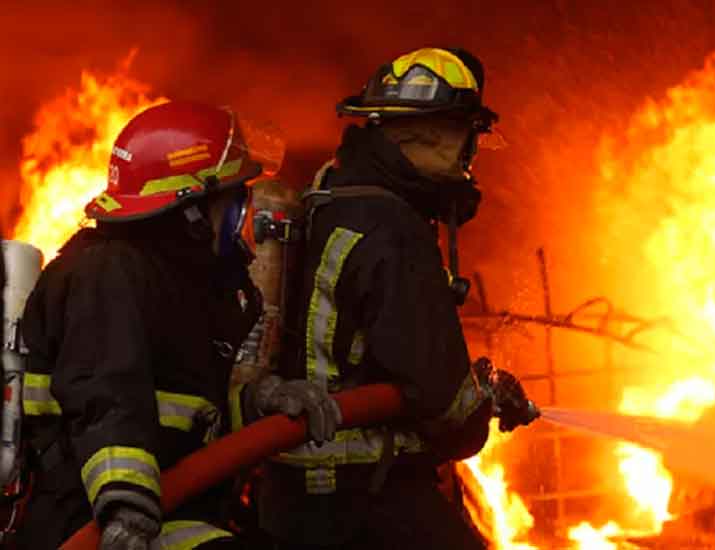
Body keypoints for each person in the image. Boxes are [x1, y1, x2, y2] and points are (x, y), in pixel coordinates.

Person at [248, 47, 537, 550]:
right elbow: (443, 406)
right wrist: (482, 403)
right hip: (367, 500)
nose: (469, 160)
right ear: (437, 133)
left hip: (289, 495)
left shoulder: (328, 194)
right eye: (467, 138)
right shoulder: (394, 232)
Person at [15, 100, 315, 550]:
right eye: (233, 200)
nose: (241, 215)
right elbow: (104, 395)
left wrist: (261, 403)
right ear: (190, 208)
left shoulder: (176, 280)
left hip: (173, 506)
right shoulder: (108, 272)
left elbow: (184, 407)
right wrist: (125, 507)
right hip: (92, 522)